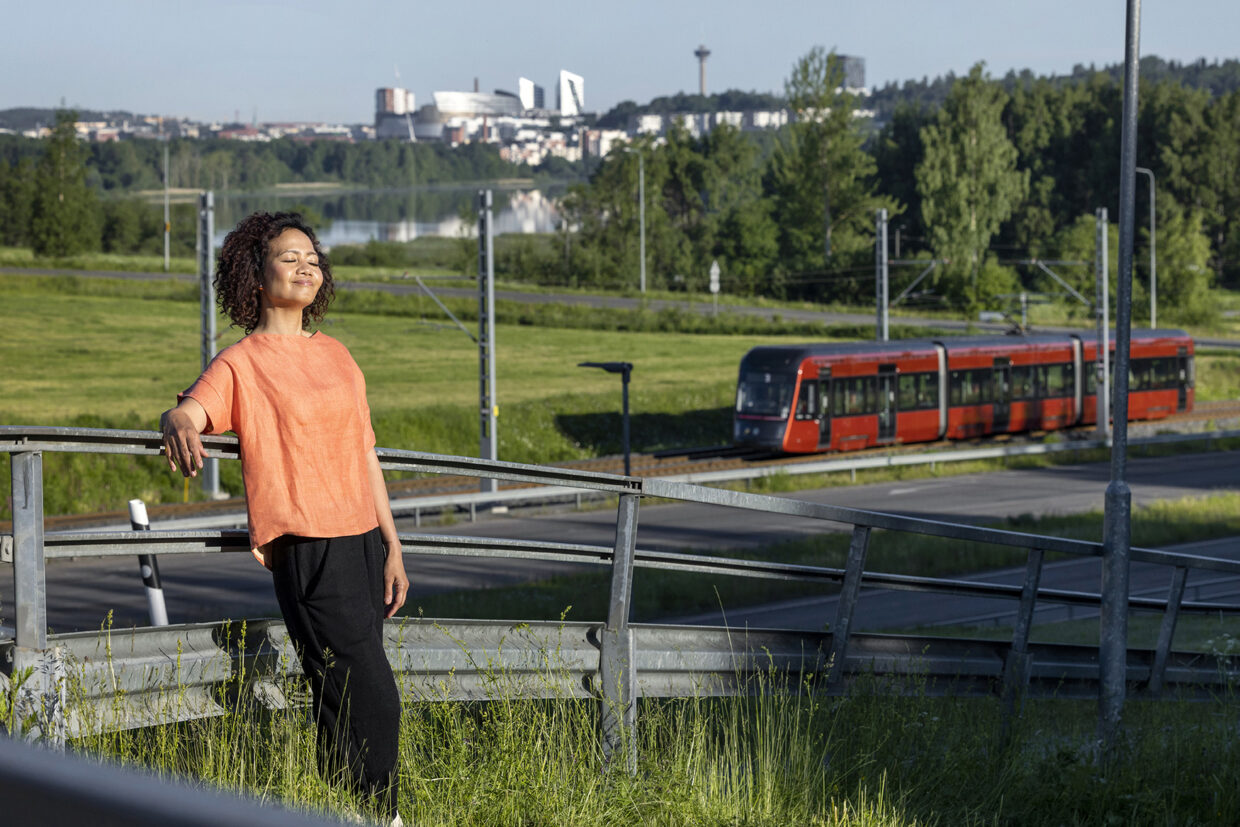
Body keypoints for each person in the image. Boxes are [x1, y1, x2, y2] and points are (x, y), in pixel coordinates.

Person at [159, 211, 408, 827]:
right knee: (372, 693)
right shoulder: (243, 361)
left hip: (363, 540)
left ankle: (345, 810)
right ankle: (387, 816)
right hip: (307, 545)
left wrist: (393, 544)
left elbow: (364, 453)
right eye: (290, 257)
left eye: (313, 259)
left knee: (339, 691)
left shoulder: (338, 354)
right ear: (256, 270)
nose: (307, 267)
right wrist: (178, 424)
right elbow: (190, 411)